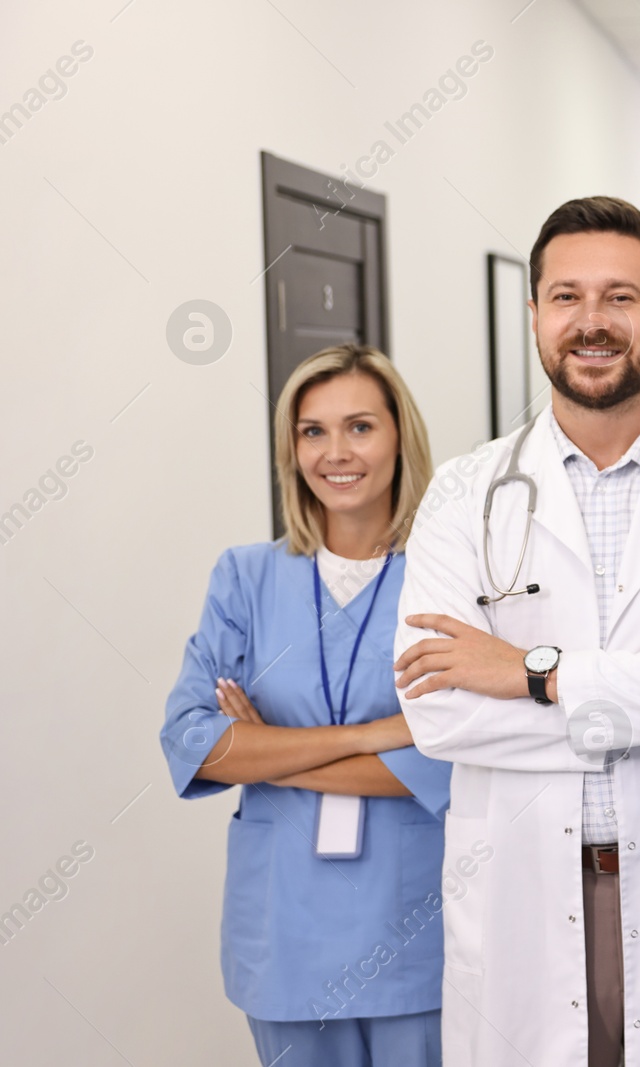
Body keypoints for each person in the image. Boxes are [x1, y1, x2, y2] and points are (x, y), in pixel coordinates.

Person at [391, 196, 640, 1067]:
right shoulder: (464, 495)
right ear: (534, 315)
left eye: (621, 296)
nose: (592, 322)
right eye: (566, 297)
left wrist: (529, 670)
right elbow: (439, 712)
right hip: (521, 884)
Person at [161, 344, 452, 1067]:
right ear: (291, 449)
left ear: (399, 437)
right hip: (283, 937)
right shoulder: (246, 577)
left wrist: (271, 751)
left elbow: (452, 754)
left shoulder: (447, 578)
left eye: (359, 426)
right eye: (311, 431)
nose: (335, 452)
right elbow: (194, 740)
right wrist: (377, 735)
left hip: (413, 932)